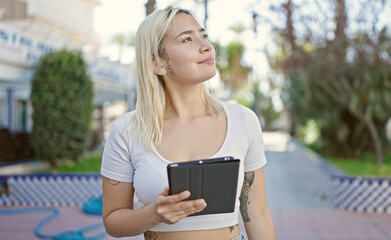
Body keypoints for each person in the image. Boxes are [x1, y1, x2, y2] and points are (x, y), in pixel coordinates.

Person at [101, 6, 276, 240]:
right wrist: (154, 213)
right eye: (186, 39)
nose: (206, 46)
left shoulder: (243, 120)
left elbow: (258, 213)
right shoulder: (127, 131)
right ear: (158, 63)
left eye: (203, 35)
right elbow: (113, 221)